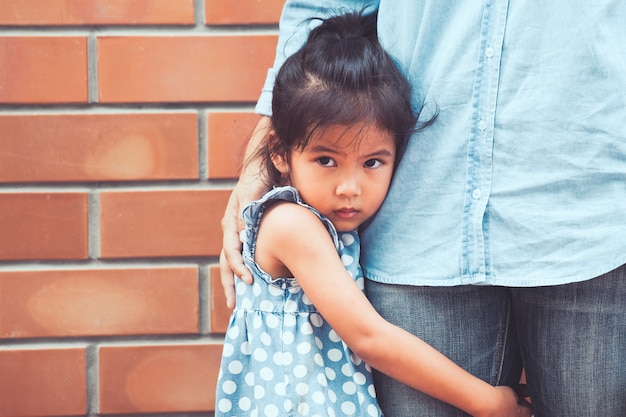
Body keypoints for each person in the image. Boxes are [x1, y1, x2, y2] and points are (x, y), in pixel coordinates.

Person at [221, 2, 626, 417]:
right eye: (326, 160)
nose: (349, 188)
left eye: (372, 162)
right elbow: (369, 337)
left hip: (588, 218)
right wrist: (485, 401)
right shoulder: (291, 224)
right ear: (281, 151)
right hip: (424, 230)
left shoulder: (318, 224)